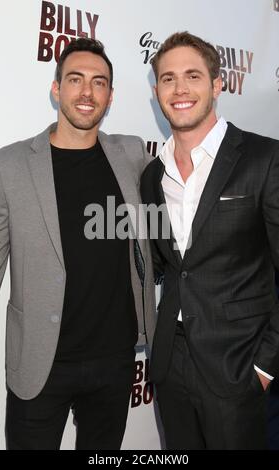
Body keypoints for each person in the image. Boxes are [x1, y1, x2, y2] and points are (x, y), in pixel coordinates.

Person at [0, 37, 156, 450]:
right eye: (75, 80)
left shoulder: (133, 153)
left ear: (110, 96)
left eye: (99, 82)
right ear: (56, 89)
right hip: (40, 363)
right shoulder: (9, 165)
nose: (87, 92)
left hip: (115, 360)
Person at [141, 31, 279, 449]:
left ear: (217, 85)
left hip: (238, 367)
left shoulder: (264, 159)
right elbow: (168, 266)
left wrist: (264, 366)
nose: (180, 89)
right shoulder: (152, 175)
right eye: (168, 79)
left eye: (193, 76)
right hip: (171, 364)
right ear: (156, 91)